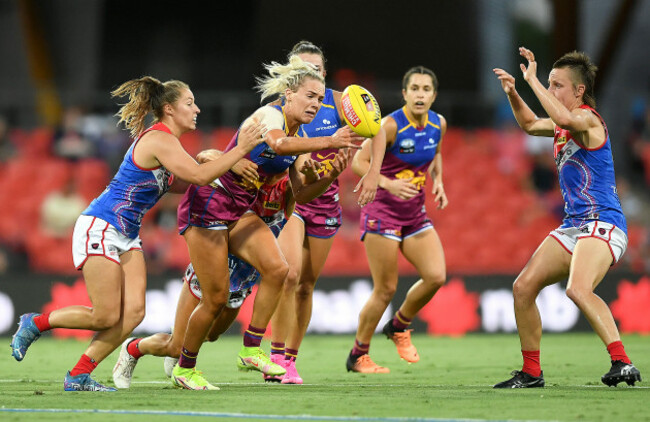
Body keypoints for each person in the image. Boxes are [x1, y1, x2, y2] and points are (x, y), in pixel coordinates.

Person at [9, 76, 265, 391]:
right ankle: (34, 323)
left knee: (132, 315)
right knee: (104, 316)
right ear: (169, 109)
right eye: (189, 103)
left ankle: (78, 375)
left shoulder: (170, 143)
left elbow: (193, 174)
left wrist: (218, 160)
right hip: (102, 225)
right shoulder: (160, 139)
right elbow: (199, 177)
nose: (197, 109)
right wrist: (240, 150)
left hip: (126, 233)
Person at [169, 55, 364, 390]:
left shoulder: (298, 132)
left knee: (279, 270)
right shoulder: (268, 114)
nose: (316, 104)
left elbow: (300, 194)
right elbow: (277, 144)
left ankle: (251, 349)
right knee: (214, 302)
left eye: (320, 99)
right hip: (211, 205)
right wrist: (331, 141)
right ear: (289, 93)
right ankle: (179, 366)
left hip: (244, 211)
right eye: (309, 96)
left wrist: (331, 172)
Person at [492, 47, 642, 388]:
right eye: (549, 83)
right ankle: (531, 373)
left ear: (579, 91)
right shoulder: (564, 126)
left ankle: (622, 362)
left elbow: (564, 119)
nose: (552, 90)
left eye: (557, 85)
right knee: (523, 288)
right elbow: (530, 124)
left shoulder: (588, 119)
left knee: (577, 288)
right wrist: (516, 93)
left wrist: (531, 80)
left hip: (604, 223)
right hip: (575, 225)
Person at [266, 41, 387, 384]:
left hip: (326, 202)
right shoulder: (280, 109)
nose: (312, 74)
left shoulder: (341, 102)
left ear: (325, 71)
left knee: (306, 285)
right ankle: (275, 356)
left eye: (317, 69)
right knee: (289, 275)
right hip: (290, 198)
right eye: (303, 69)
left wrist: (374, 171)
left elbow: (376, 129)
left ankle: (290, 360)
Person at [112, 171, 296, 389]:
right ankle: (133, 348)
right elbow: (209, 157)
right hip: (209, 274)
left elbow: (306, 189)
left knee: (212, 335)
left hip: (241, 283)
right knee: (176, 345)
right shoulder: (246, 181)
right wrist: (220, 158)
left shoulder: (289, 191)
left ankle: (181, 353)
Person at [346, 66, 448, 373]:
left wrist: (439, 181)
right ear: (404, 94)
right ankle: (358, 355)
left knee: (436, 276)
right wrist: (388, 183)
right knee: (386, 289)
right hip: (383, 212)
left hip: (414, 213)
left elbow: (436, 153)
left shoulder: (438, 124)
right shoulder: (389, 126)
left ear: (433, 95)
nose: (420, 94)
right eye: (414, 88)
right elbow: (358, 162)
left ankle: (399, 325)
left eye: (426, 89)